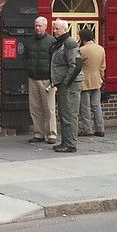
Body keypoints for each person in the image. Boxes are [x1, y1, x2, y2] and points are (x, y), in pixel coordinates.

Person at [49, 19, 84, 153]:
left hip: (70, 84)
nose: (55, 31)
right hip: (64, 83)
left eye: (57, 28)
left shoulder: (69, 43)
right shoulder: (60, 43)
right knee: (64, 113)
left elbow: (75, 64)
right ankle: (65, 141)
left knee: (69, 113)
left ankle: (70, 144)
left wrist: (66, 82)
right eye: (54, 28)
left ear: (65, 29)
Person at [23, 16, 57, 145]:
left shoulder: (52, 41)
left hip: (47, 79)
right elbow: (25, 57)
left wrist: (53, 78)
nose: (37, 28)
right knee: (35, 108)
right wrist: (28, 68)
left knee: (49, 109)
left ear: (45, 27)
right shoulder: (29, 41)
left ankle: (51, 134)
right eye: (36, 25)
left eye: (39, 26)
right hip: (33, 78)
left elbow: (55, 60)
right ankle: (38, 134)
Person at [78, 27, 106, 137]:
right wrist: (101, 78)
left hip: (84, 81)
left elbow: (77, 65)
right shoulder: (101, 49)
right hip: (97, 80)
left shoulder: (82, 50)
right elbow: (102, 66)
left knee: (85, 108)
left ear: (83, 38)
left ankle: (87, 129)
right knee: (96, 106)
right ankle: (100, 128)